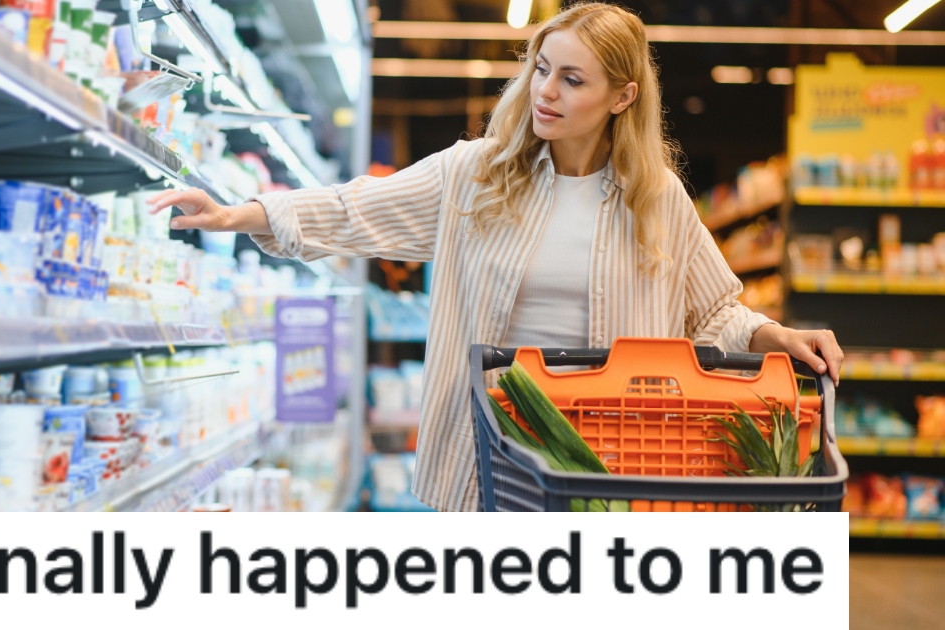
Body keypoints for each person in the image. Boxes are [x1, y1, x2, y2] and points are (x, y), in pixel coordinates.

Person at [147, 2, 844, 512]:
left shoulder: (654, 197)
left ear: (622, 98)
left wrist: (774, 336)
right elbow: (359, 209)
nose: (545, 91)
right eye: (542, 69)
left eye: (574, 80)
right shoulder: (476, 174)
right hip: (491, 450)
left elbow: (715, 309)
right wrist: (247, 212)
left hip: (615, 454)